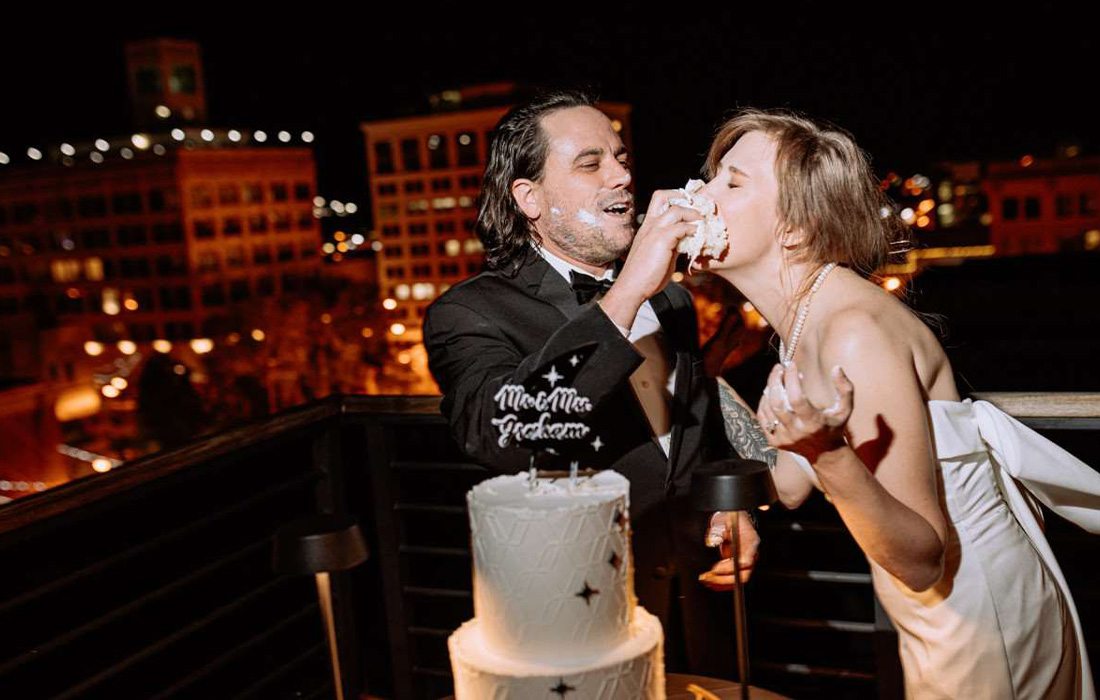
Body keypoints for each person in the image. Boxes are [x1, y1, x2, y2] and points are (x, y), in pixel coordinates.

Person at [697, 107, 1100, 698]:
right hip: (937, 611)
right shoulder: (807, 319)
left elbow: (921, 558)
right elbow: (786, 481)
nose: (700, 197)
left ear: (797, 229)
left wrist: (828, 455)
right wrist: (699, 370)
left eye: (731, 183)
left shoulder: (854, 330)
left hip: (975, 614)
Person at [423, 89, 757, 675]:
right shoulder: (470, 312)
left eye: (621, 158)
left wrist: (729, 507)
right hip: (583, 617)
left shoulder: (674, 299)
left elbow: (690, 426)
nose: (622, 177)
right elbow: (506, 431)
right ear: (528, 197)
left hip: (701, 606)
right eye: (590, 163)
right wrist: (626, 295)